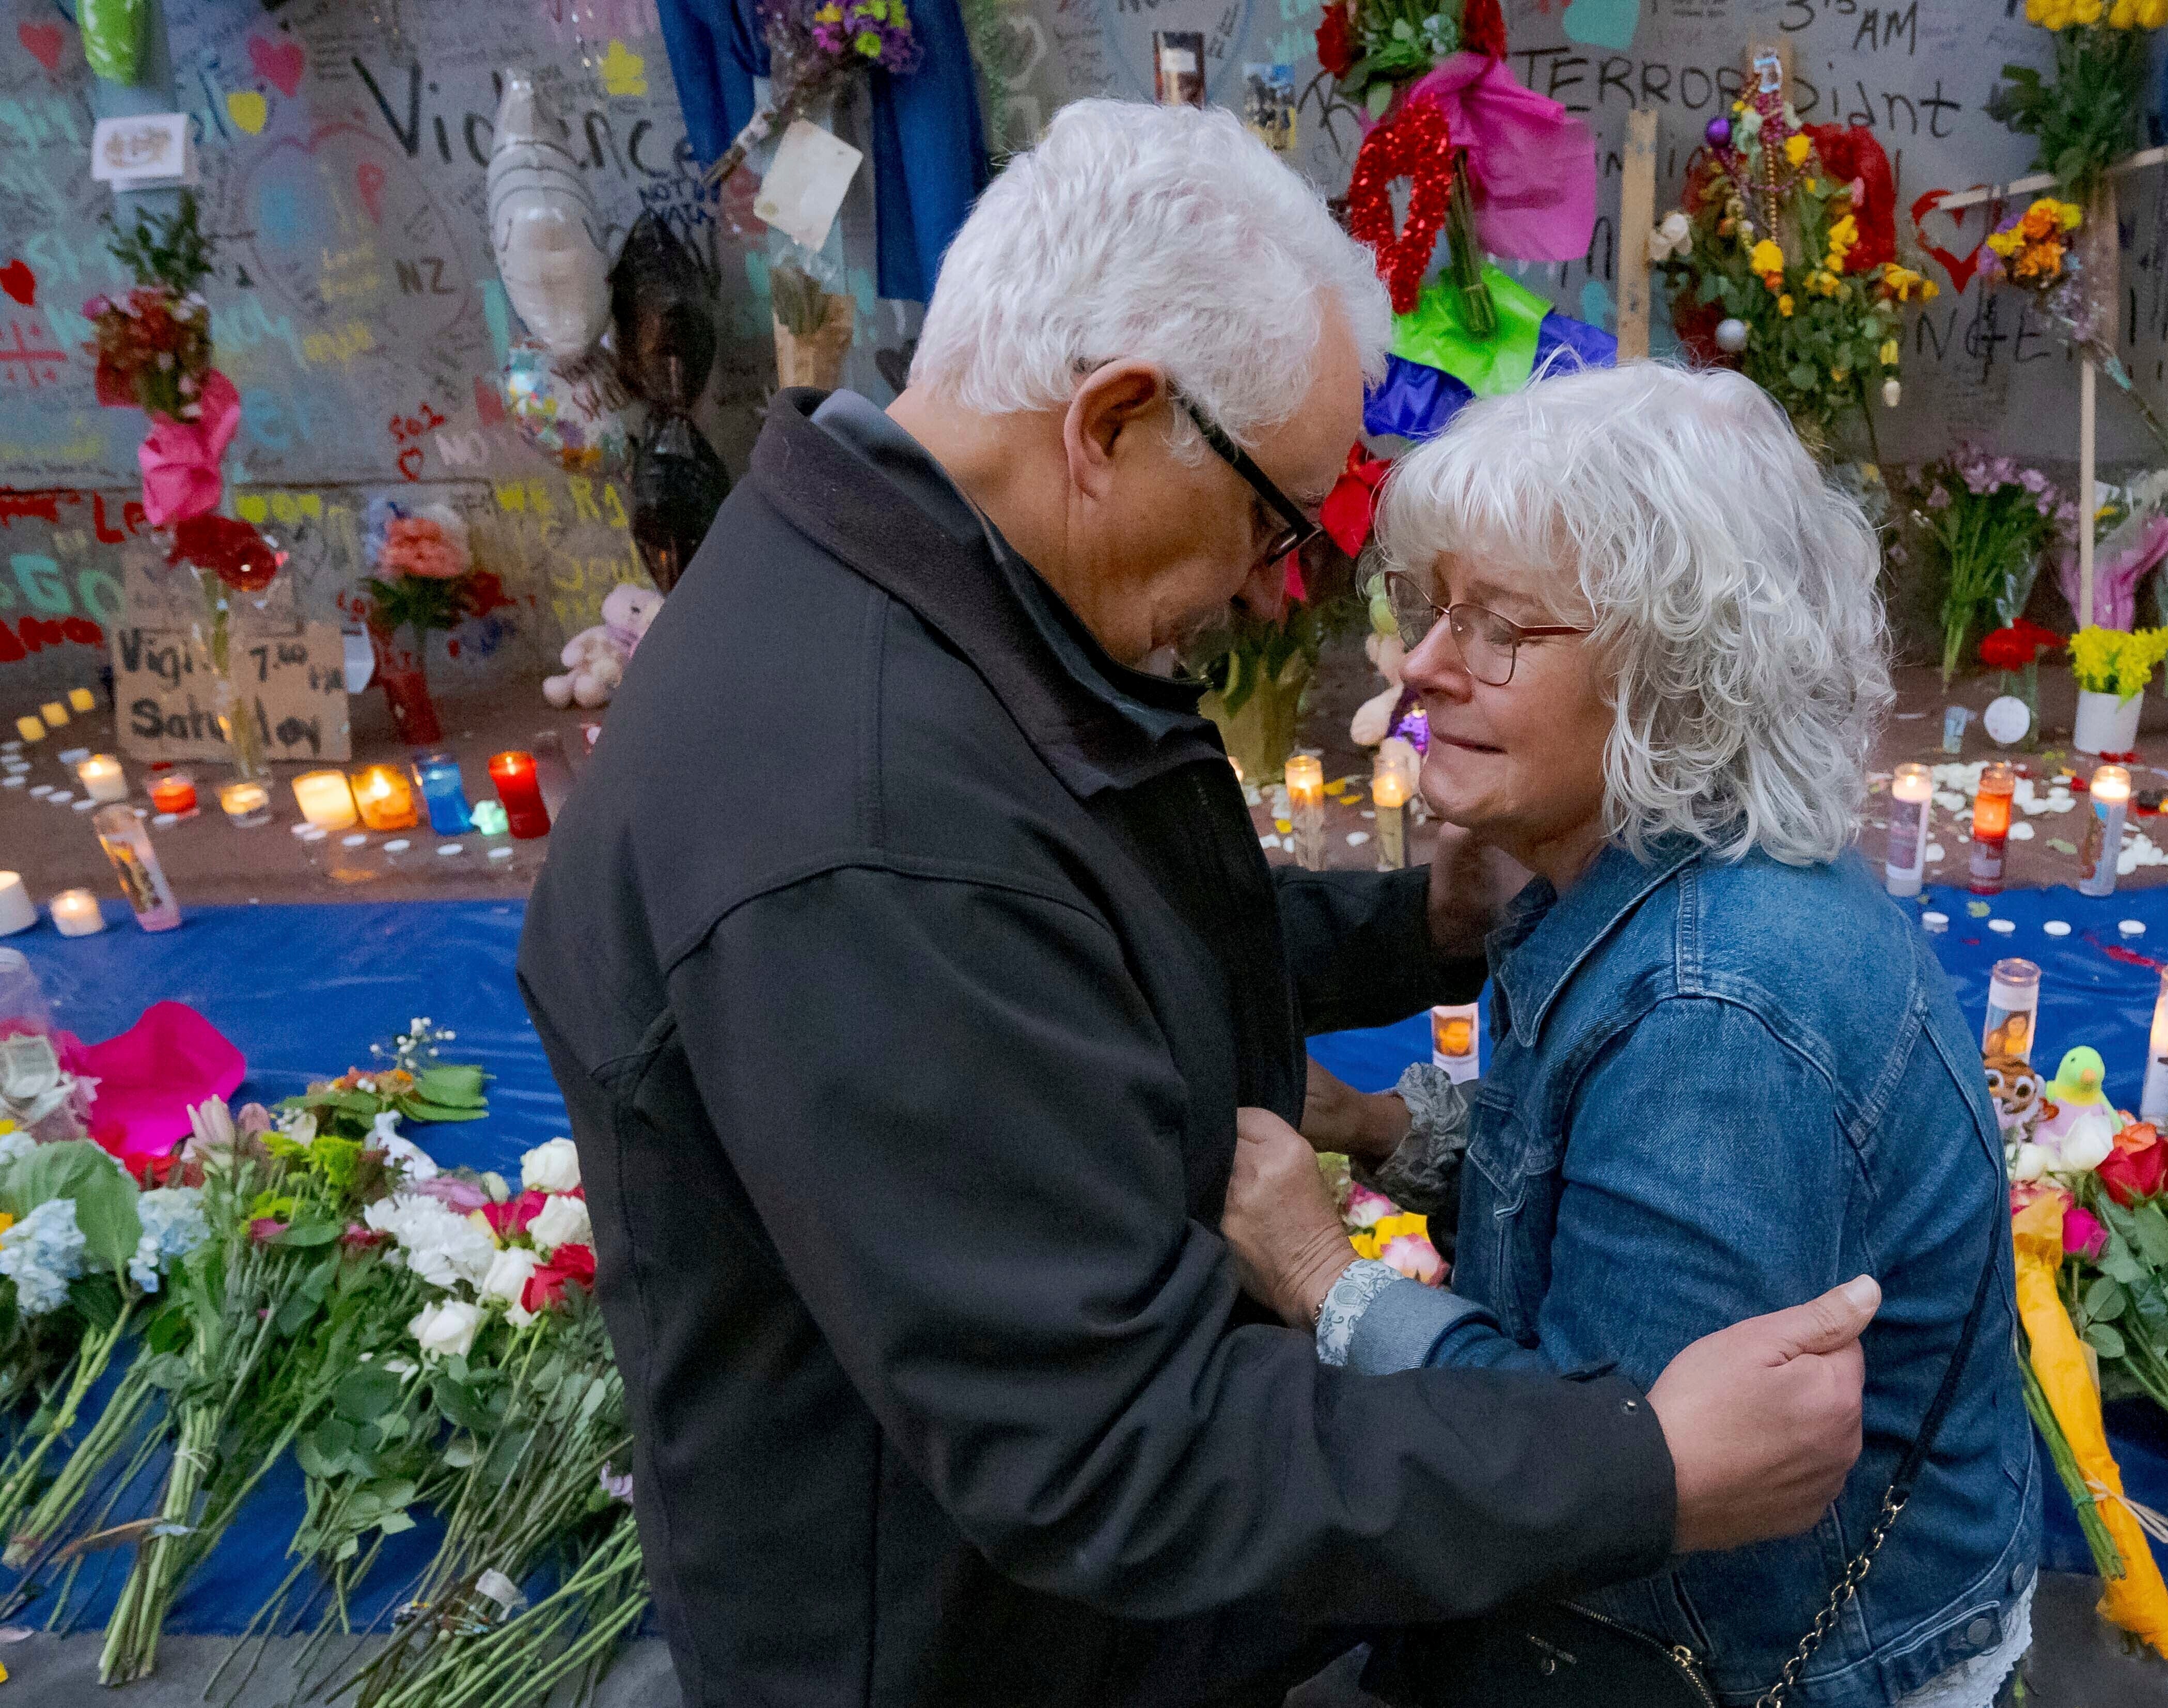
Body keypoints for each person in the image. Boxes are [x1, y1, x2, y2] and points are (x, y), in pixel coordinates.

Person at [517, 101, 1878, 1708]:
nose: (1261, 584)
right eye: (1271, 517)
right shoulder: (863, 826)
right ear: (1109, 422)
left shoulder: (934, 597)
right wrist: (1638, 1464)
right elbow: (1117, 1450)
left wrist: (1408, 926)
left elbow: (1083, 935)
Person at [1223, 362, 2038, 1707]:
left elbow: (1618, 1468)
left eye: (1500, 631)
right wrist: (1374, 1127)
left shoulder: (1712, 1004)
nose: (1422, 669)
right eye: (1431, 614)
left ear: (1673, 679)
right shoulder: (1638, 882)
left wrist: (1322, 1275)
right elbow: (1581, 1183)